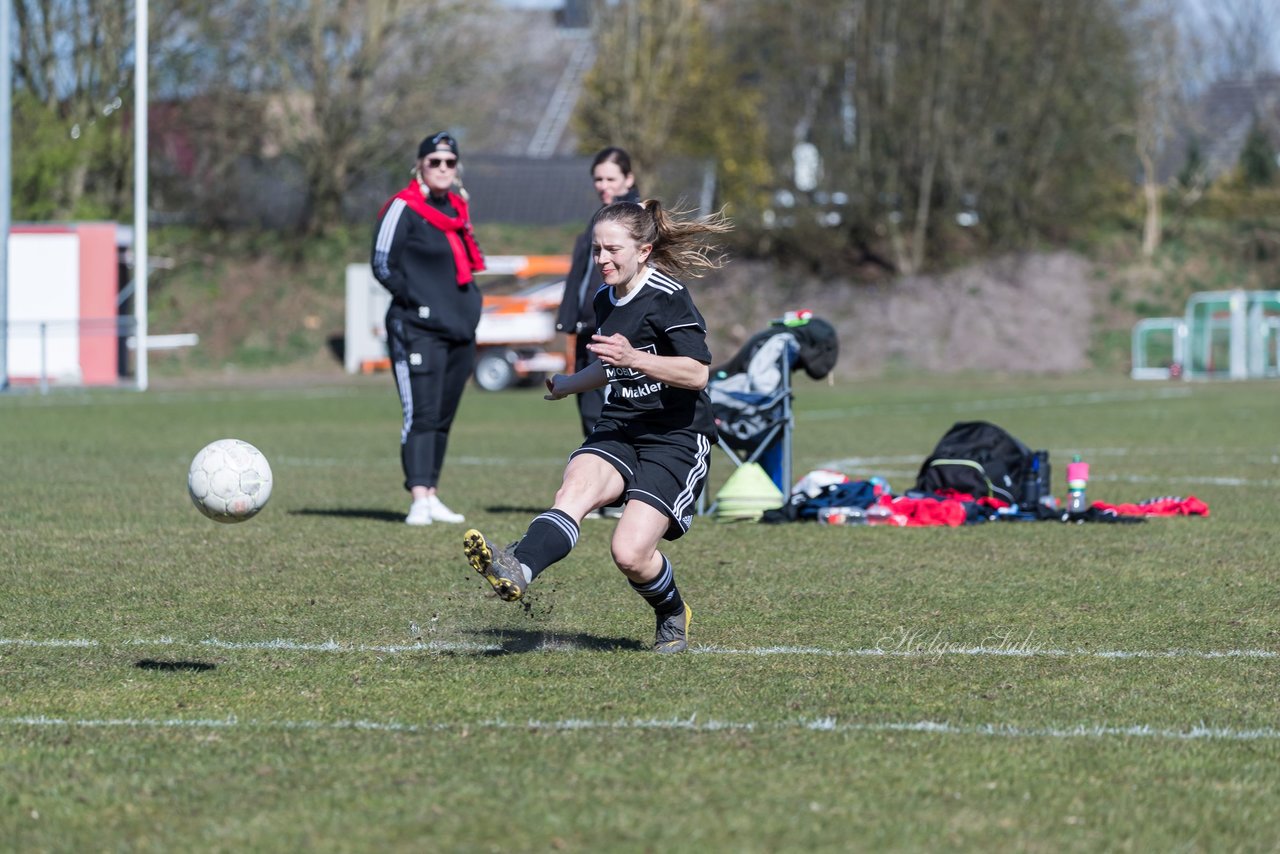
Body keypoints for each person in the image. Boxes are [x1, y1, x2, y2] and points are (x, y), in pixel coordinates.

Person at [464, 199, 731, 653]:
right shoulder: (604, 298)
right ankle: (517, 568)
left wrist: (636, 358)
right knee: (573, 493)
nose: (602, 260)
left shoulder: (669, 296)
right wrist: (570, 383)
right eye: (596, 250)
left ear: (643, 250)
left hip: (675, 438)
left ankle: (671, 612)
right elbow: (609, 366)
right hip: (620, 426)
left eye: (612, 250)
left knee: (629, 553)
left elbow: (697, 372)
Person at [371, 131, 486, 526]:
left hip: (458, 332)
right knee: (419, 413)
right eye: (434, 161)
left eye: (449, 162)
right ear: (419, 165)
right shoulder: (403, 207)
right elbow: (382, 263)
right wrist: (416, 303)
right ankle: (418, 495)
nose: (442, 168)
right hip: (416, 329)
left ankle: (432, 492)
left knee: (441, 415)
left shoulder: (456, 209)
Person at [556, 147, 641, 441]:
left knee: (608, 419)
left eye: (610, 178)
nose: (603, 186)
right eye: (598, 179)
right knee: (590, 417)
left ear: (628, 179)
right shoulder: (599, 218)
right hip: (588, 332)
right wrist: (569, 318)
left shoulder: (636, 220)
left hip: (614, 333)